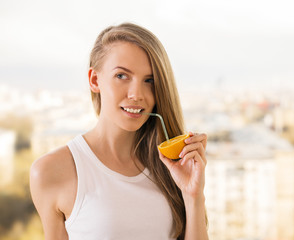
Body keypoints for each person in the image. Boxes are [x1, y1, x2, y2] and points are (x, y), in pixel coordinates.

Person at [29, 23, 209, 240]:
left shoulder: (173, 168)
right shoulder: (51, 172)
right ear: (95, 80)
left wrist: (193, 196)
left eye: (149, 80)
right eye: (122, 76)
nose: (136, 94)